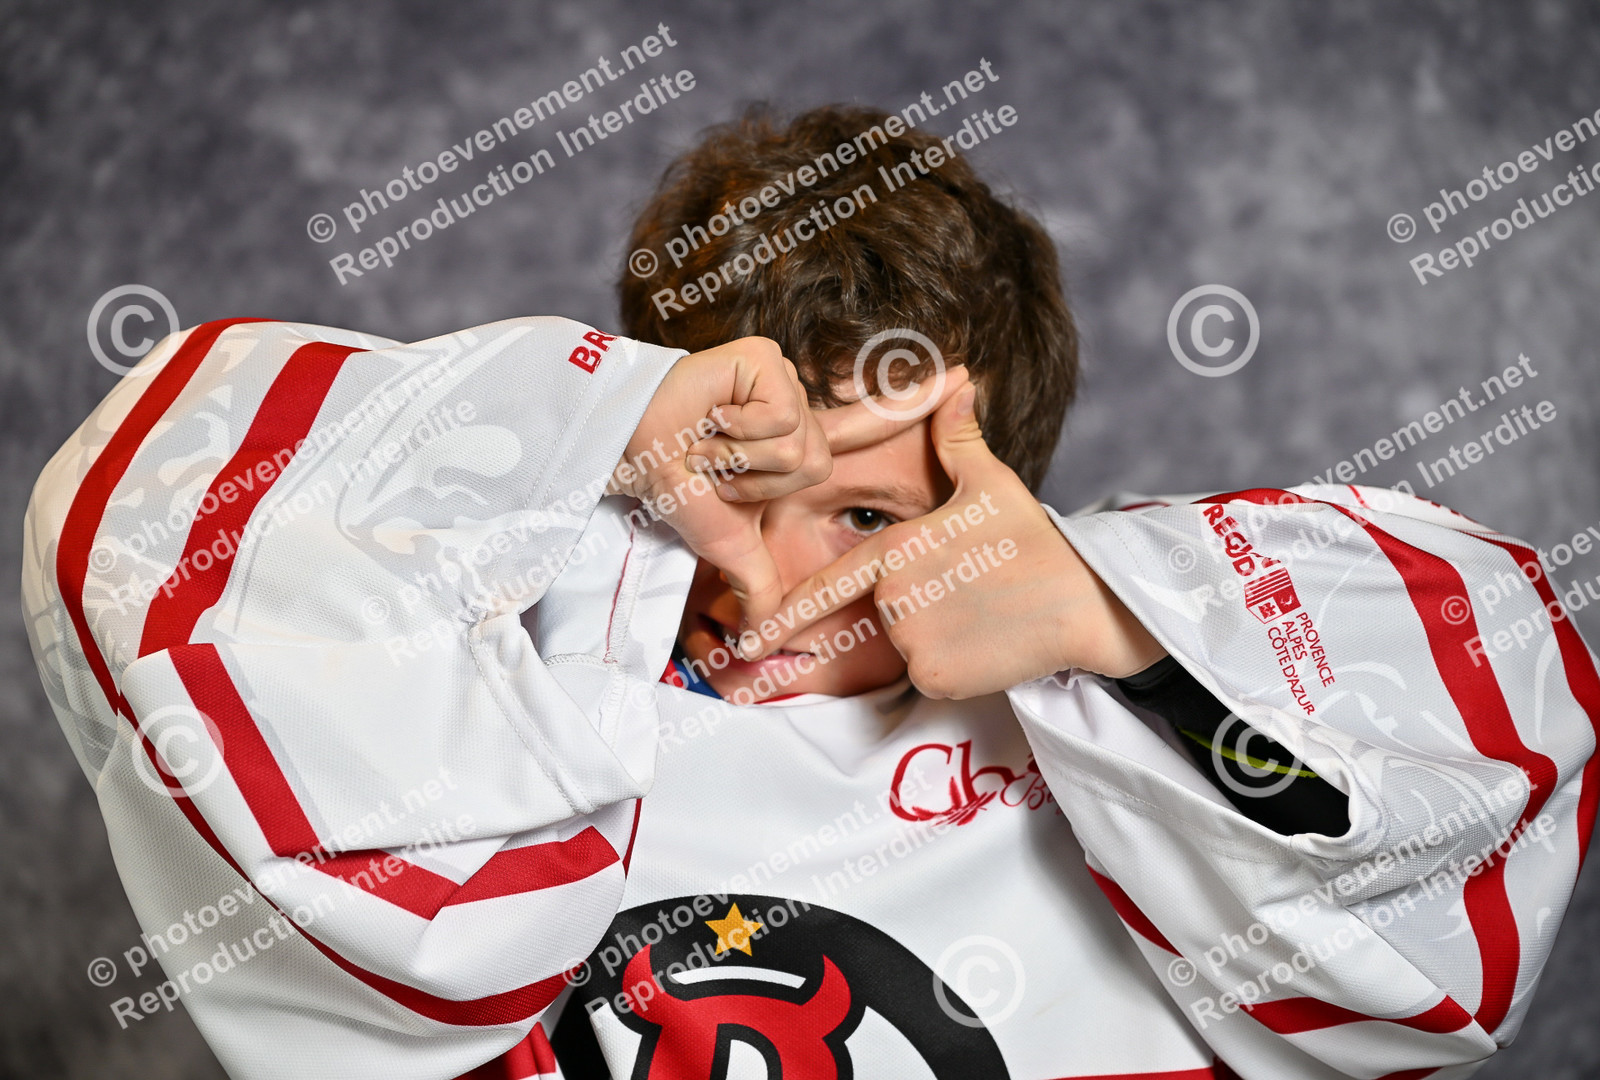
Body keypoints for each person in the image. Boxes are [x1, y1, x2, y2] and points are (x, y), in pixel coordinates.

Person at [23, 105, 1597, 1080]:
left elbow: (1505, 704)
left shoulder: (1121, 728)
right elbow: (145, 537)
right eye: (726, 486)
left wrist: (1108, 620)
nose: (762, 581)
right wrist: (588, 418)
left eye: (861, 514)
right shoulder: (515, 714)